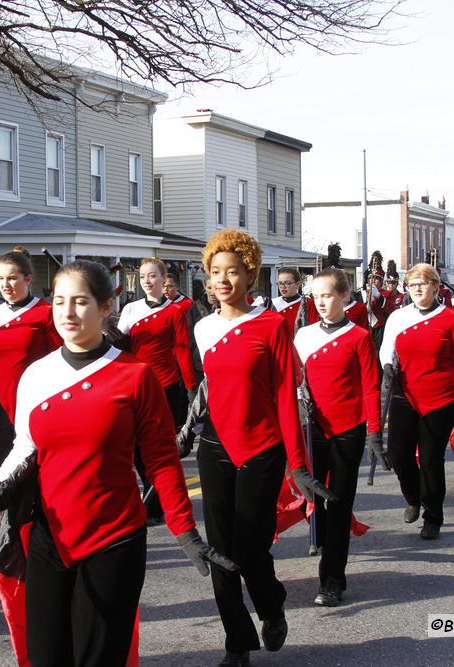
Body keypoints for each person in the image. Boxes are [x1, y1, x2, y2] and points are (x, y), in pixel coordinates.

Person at [0, 260, 234, 667]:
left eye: (80, 302)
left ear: (106, 307)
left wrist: (185, 531)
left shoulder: (135, 376)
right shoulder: (37, 375)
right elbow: (26, 445)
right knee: (45, 656)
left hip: (114, 538)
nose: (67, 312)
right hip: (50, 538)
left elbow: (162, 461)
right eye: (59, 301)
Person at [193, 229, 330, 666]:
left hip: (261, 449)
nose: (223, 280)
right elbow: (211, 388)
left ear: (250, 275)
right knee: (220, 552)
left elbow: (283, 398)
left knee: (250, 549)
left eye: (233, 272)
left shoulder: (272, 325)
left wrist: (298, 465)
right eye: (216, 272)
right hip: (214, 448)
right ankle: (237, 643)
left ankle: (271, 604)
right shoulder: (203, 328)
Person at [293, 268, 381, 607]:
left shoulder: (359, 336)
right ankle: (327, 542)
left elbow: (371, 386)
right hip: (312, 428)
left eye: (328, 295)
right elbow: (292, 380)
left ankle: (332, 579)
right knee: (316, 499)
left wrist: (374, 431)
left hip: (347, 429)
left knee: (339, 503)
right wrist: (300, 402)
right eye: (316, 296)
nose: (322, 302)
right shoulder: (303, 335)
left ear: (344, 296)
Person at [378, 263, 454, 540]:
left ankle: (433, 515)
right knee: (399, 455)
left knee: (431, 458)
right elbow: (386, 350)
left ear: (436, 286)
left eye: (423, 283)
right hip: (404, 394)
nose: (418, 289)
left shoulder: (450, 319)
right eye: (412, 285)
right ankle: (413, 496)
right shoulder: (398, 317)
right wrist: (387, 365)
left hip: (441, 397)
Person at [0, 248, 61, 470]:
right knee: (7, 468)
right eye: (0, 278)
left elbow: (62, 358)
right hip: (3, 405)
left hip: (40, 402)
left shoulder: (47, 313)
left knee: (38, 469)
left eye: (11, 278)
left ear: (27, 279)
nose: (5, 284)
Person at [117, 258, 196, 523]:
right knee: (137, 450)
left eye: (152, 276)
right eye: (142, 277)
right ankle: (154, 499)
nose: (147, 282)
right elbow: (119, 350)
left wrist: (190, 390)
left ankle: (157, 503)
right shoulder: (129, 310)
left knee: (161, 450)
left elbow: (182, 351)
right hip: (136, 386)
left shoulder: (175, 311)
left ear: (164, 280)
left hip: (167, 387)